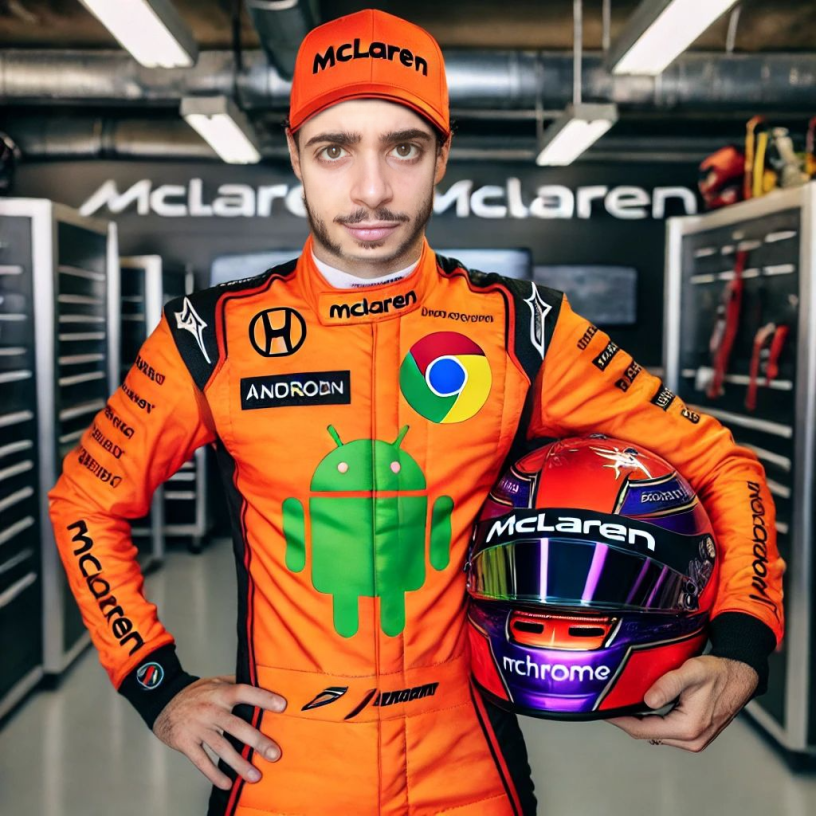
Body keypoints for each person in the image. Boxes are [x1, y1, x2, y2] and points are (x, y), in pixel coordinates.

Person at [47, 8, 784, 816]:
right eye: (335, 149)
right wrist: (154, 681)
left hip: (467, 766)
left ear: (442, 155)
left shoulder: (523, 329)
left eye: (403, 147)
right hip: (282, 767)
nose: (371, 190)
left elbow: (721, 461)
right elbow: (87, 499)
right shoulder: (210, 335)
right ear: (295, 154)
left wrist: (743, 645)